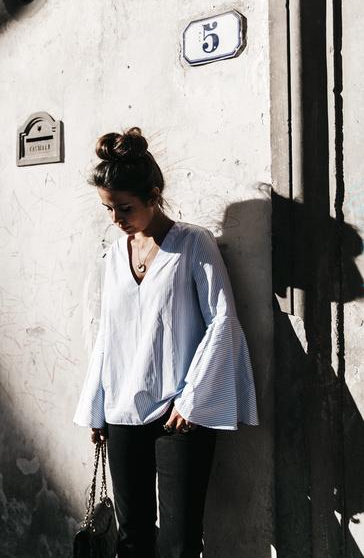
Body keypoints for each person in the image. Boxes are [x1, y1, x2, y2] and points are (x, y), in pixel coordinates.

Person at [73, 127, 259, 558]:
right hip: (122, 409)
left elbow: (223, 320)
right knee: (131, 534)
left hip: (181, 412)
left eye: (124, 207)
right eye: (108, 209)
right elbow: (108, 333)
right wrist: (97, 406)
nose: (116, 219)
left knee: (179, 541)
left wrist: (192, 401)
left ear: (154, 193)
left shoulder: (193, 244)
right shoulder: (114, 255)